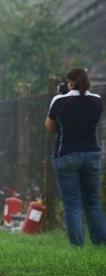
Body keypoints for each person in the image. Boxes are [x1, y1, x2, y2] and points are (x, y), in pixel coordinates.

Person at [45, 68, 106, 246]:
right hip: (92, 154)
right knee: (92, 202)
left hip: (66, 155)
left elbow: (50, 128)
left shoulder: (60, 100)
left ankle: (77, 246)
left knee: (72, 205)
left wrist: (62, 95)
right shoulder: (97, 100)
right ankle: (101, 243)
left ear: (69, 82)